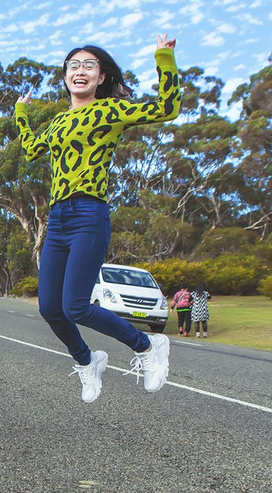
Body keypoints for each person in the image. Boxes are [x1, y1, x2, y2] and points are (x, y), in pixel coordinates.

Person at [14, 35, 181, 403]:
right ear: (65, 77)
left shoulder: (110, 111)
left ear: (101, 77)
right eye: (73, 65)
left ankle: (148, 346)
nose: (80, 70)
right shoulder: (58, 122)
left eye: (89, 65)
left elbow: (167, 108)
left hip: (89, 213)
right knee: (49, 308)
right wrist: (20, 114)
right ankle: (87, 360)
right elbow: (30, 149)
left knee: (76, 305)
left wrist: (164, 58)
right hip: (57, 219)